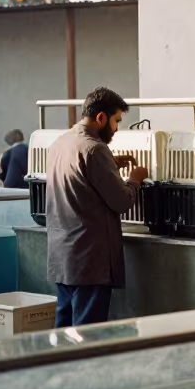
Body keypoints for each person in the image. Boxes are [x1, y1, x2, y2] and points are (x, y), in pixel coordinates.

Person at [46, 87, 148, 327]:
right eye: (116, 121)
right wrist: (136, 178)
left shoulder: (60, 143)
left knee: (64, 332)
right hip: (89, 260)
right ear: (101, 117)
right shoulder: (95, 148)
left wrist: (110, 164)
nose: (116, 128)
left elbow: (79, 180)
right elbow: (122, 201)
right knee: (87, 334)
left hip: (63, 256)